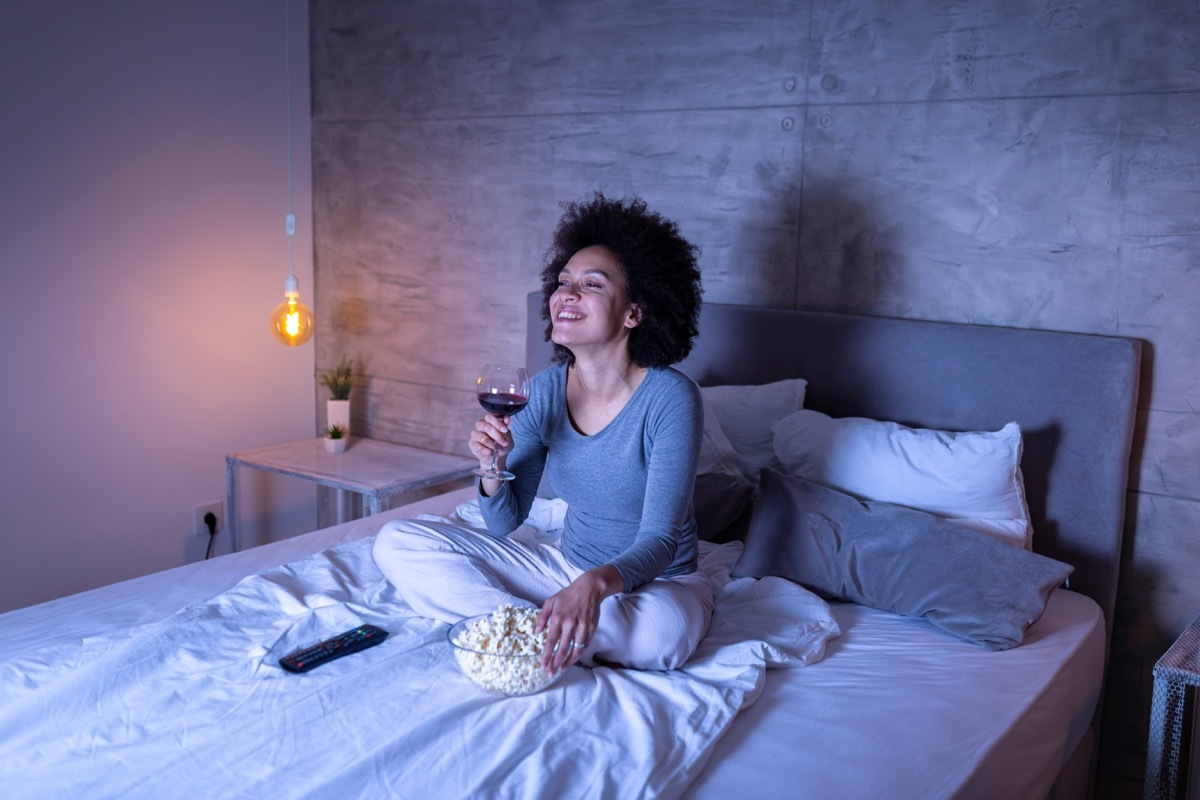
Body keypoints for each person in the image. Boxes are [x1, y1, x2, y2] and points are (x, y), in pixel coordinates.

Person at [373, 192, 709, 676]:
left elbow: (660, 539)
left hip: (656, 584)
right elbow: (504, 524)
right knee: (396, 541)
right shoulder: (544, 392)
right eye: (563, 281)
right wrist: (491, 468)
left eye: (591, 284)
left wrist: (592, 588)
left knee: (660, 639)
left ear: (634, 313)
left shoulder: (671, 398)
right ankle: (542, 627)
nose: (565, 294)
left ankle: (527, 628)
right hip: (565, 569)